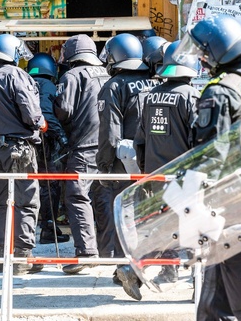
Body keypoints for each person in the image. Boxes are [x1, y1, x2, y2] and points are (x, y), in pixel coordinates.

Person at [173, 14, 241, 319]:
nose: (202, 59)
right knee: (214, 299)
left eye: (203, 53)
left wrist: (181, 196)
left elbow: (210, 157)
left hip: (234, 205)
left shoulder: (222, 91)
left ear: (215, 52)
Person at [117, 40, 200, 301]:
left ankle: (161, 270)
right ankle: (199, 284)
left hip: (155, 173)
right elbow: (199, 140)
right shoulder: (191, 96)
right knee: (194, 228)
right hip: (184, 174)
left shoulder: (151, 96)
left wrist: (145, 171)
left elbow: (140, 139)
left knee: (164, 225)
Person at [0, 33, 46, 275]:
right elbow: (32, 115)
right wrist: (42, 123)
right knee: (26, 202)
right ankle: (22, 257)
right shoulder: (14, 75)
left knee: (3, 203)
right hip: (18, 149)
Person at [96, 33, 160, 284]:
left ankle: (127, 269)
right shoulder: (154, 83)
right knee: (150, 214)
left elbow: (110, 132)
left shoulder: (114, 86)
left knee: (125, 217)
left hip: (125, 163)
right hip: (154, 161)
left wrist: (103, 166)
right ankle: (147, 264)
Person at [54, 34, 110, 274]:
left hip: (83, 148)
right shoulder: (107, 75)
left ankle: (86, 252)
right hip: (108, 149)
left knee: (77, 197)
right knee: (103, 198)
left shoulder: (71, 76)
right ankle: (110, 252)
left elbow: (64, 110)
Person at [26, 52, 70, 245]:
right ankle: (48, 227)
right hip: (46, 142)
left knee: (23, 185)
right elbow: (46, 114)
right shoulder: (48, 85)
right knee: (50, 185)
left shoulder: (25, 83)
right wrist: (61, 137)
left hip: (27, 141)